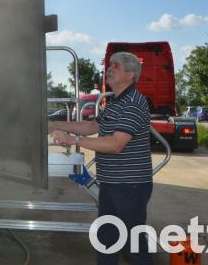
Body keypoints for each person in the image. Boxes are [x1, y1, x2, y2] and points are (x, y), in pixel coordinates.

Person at [49, 51, 153, 264]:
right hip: (112, 184)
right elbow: (91, 126)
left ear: (130, 74)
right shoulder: (115, 101)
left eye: (115, 66)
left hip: (130, 186)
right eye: (109, 65)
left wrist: (73, 141)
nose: (109, 69)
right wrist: (54, 124)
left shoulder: (133, 102)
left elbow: (116, 144)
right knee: (106, 240)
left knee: (133, 246)